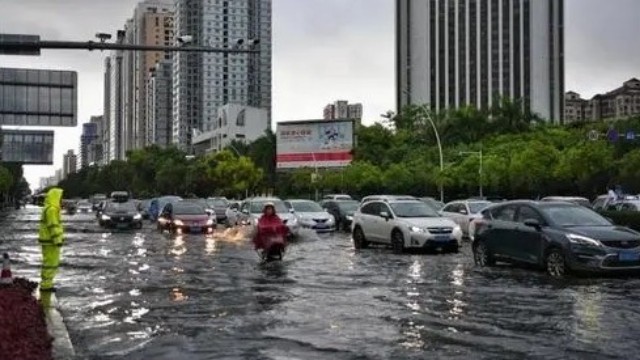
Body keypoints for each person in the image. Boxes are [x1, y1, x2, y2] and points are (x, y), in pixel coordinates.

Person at [38, 187, 64, 293]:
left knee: (49, 262)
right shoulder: (52, 209)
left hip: (48, 240)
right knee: (51, 263)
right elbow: (53, 226)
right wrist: (58, 240)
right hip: (51, 241)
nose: (61, 199)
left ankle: (47, 283)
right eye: (60, 197)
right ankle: (46, 285)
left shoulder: (49, 208)